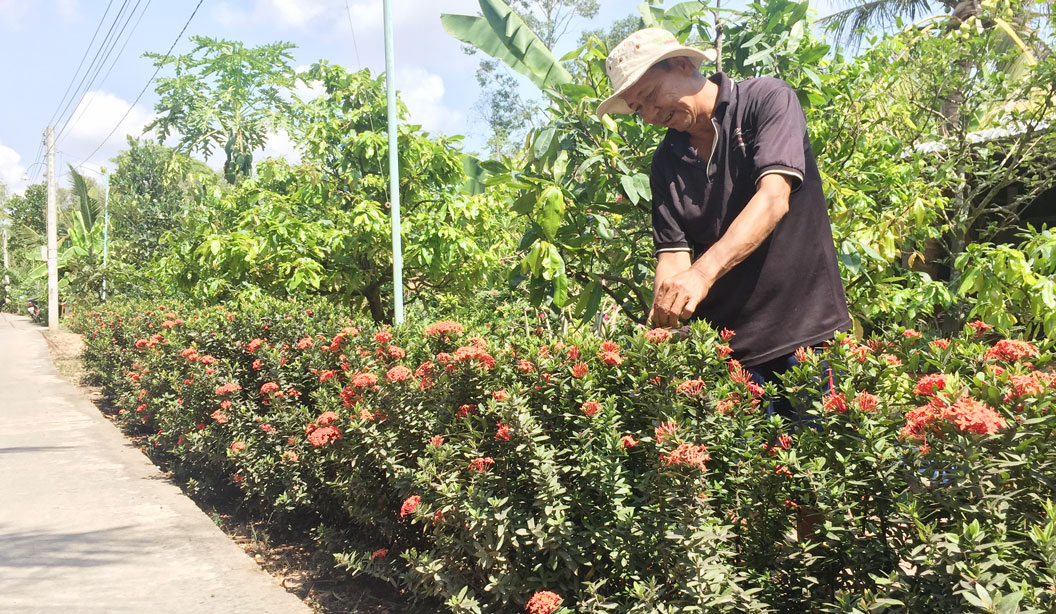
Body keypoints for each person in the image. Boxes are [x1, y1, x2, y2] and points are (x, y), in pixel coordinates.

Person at [596, 28, 851, 421]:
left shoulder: (766, 100)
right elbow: (673, 254)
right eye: (636, 108)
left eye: (648, 96)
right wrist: (664, 319)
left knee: (825, 474)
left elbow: (773, 199)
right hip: (731, 359)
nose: (648, 116)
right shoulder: (666, 162)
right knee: (742, 478)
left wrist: (701, 274)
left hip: (807, 338)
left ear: (683, 64)